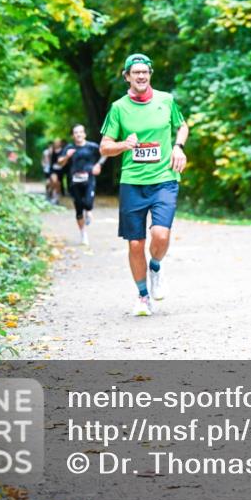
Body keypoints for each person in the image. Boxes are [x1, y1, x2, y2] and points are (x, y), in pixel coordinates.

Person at [99, 53, 188, 317]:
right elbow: (105, 146)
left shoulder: (166, 100)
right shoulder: (118, 108)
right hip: (132, 182)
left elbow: (182, 126)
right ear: (127, 76)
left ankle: (156, 268)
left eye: (144, 72)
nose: (141, 76)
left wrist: (178, 147)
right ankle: (142, 295)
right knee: (136, 244)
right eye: (135, 72)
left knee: (160, 235)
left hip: (164, 179)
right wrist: (124, 145)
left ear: (149, 74)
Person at [57, 124, 106, 246]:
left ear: (84, 134)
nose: (78, 134)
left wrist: (98, 165)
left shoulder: (92, 146)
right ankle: (83, 234)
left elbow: (105, 153)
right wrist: (67, 156)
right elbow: (60, 163)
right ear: (73, 135)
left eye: (80, 132)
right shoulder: (69, 147)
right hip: (73, 181)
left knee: (88, 203)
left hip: (89, 178)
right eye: (75, 132)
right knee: (79, 208)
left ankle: (89, 211)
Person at [43, 138, 65, 204]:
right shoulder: (51, 150)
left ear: (60, 143)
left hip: (60, 169)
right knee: (54, 181)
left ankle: (56, 197)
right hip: (53, 169)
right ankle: (50, 192)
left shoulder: (63, 150)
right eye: (55, 142)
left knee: (58, 184)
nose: (57, 143)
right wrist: (45, 165)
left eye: (58, 142)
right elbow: (47, 158)